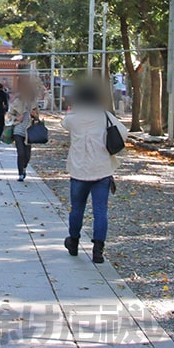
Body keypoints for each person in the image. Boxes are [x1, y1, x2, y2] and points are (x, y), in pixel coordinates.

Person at [61, 82, 128, 264]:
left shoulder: (73, 118)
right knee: (100, 211)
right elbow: (123, 133)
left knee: (77, 209)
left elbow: (64, 123)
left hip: (79, 170)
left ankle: (73, 241)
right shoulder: (104, 116)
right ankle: (98, 250)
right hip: (102, 169)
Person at [8, 83, 40, 181]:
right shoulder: (17, 102)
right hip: (18, 129)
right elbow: (9, 115)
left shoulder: (34, 103)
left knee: (27, 154)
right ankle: (20, 173)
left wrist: (35, 115)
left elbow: (38, 118)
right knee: (20, 152)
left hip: (29, 131)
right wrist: (17, 118)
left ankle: (24, 167)